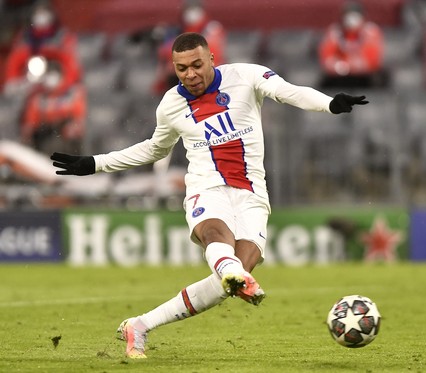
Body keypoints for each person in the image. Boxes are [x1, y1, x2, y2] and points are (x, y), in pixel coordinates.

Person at [51, 32, 368, 359]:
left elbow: (288, 92)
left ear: (212, 58)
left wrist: (328, 104)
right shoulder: (172, 104)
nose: (190, 74)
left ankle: (141, 325)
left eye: (196, 65)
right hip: (207, 187)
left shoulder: (245, 76)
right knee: (218, 239)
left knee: (230, 281)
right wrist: (95, 163)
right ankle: (228, 271)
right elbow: (153, 149)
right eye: (181, 68)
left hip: (252, 194)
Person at [3, 0, 82, 98]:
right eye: (38, 14)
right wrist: (13, 82)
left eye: (44, 13)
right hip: (29, 82)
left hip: (58, 82)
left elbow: (70, 61)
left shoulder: (62, 36)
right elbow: (15, 60)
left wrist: (64, 82)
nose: (41, 18)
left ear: (51, 15)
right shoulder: (25, 37)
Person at [152, 0, 226, 95]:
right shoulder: (178, 30)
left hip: (210, 71)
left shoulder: (212, 28)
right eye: (189, 10)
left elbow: (211, 49)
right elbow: (166, 51)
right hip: (179, 75)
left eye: (195, 9)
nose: (192, 14)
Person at [21, 60, 86, 155]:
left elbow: (79, 118)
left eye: (53, 76)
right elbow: (30, 123)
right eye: (48, 77)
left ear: (61, 76)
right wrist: (28, 133)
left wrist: (73, 127)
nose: (50, 81)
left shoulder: (72, 94)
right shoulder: (38, 97)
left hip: (67, 140)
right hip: (44, 138)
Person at [318, 1, 385, 88]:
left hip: (365, 78)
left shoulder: (371, 31)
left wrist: (353, 65)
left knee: (379, 78)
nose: (351, 20)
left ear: (362, 17)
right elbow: (327, 59)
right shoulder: (334, 32)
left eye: (355, 16)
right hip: (338, 78)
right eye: (348, 15)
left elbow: (373, 61)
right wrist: (343, 66)